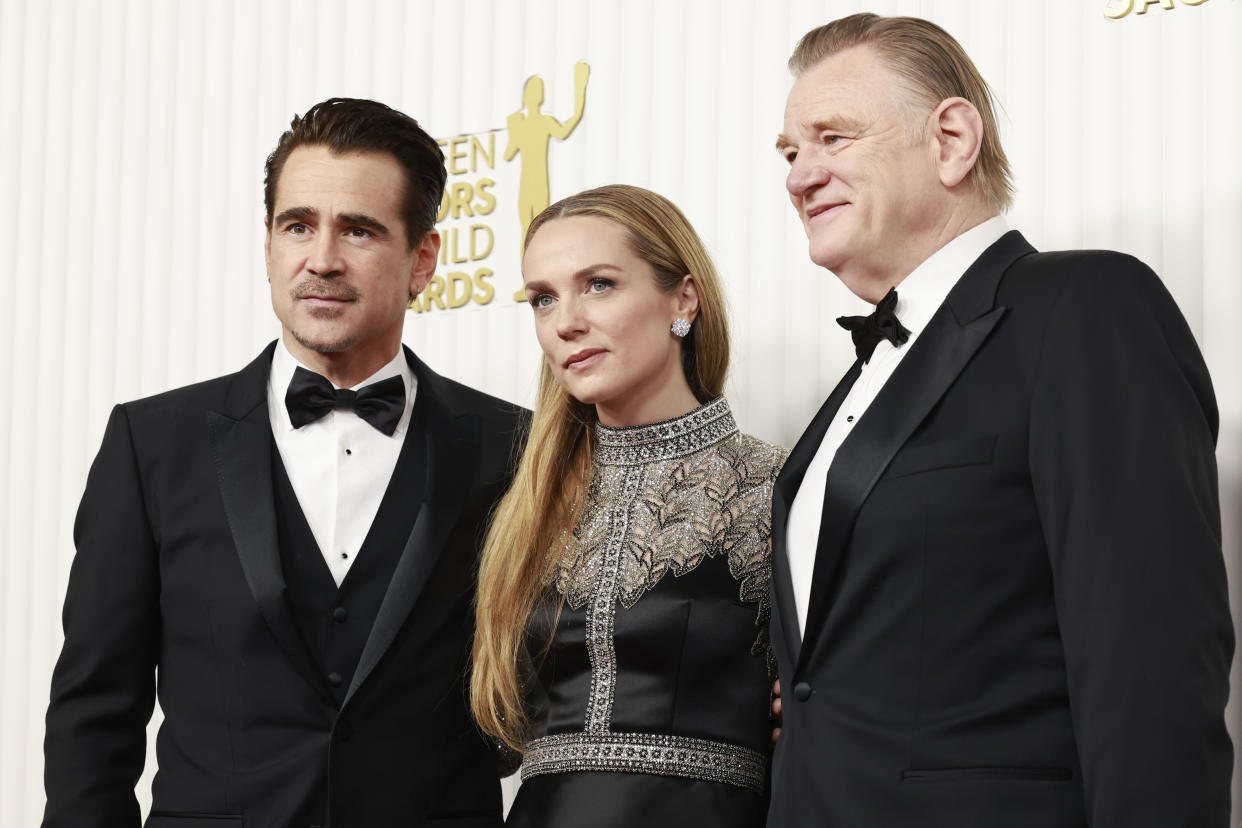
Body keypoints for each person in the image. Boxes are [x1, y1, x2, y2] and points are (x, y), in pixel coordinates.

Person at [768, 13, 1232, 828]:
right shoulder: (855, 388)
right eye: (789, 152)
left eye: (832, 137)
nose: (800, 175)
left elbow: (1150, 665)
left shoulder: (1084, 310)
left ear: (951, 139)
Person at [43, 97, 523, 828]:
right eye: (298, 225)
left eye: (358, 230)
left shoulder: (511, 448)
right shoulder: (152, 443)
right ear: (269, 244)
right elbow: (93, 714)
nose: (321, 259)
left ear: (423, 259)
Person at [470, 184, 786, 827]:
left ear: (683, 300)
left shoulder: (780, 489)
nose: (565, 322)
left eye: (600, 284)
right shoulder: (524, 510)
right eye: (543, 299)